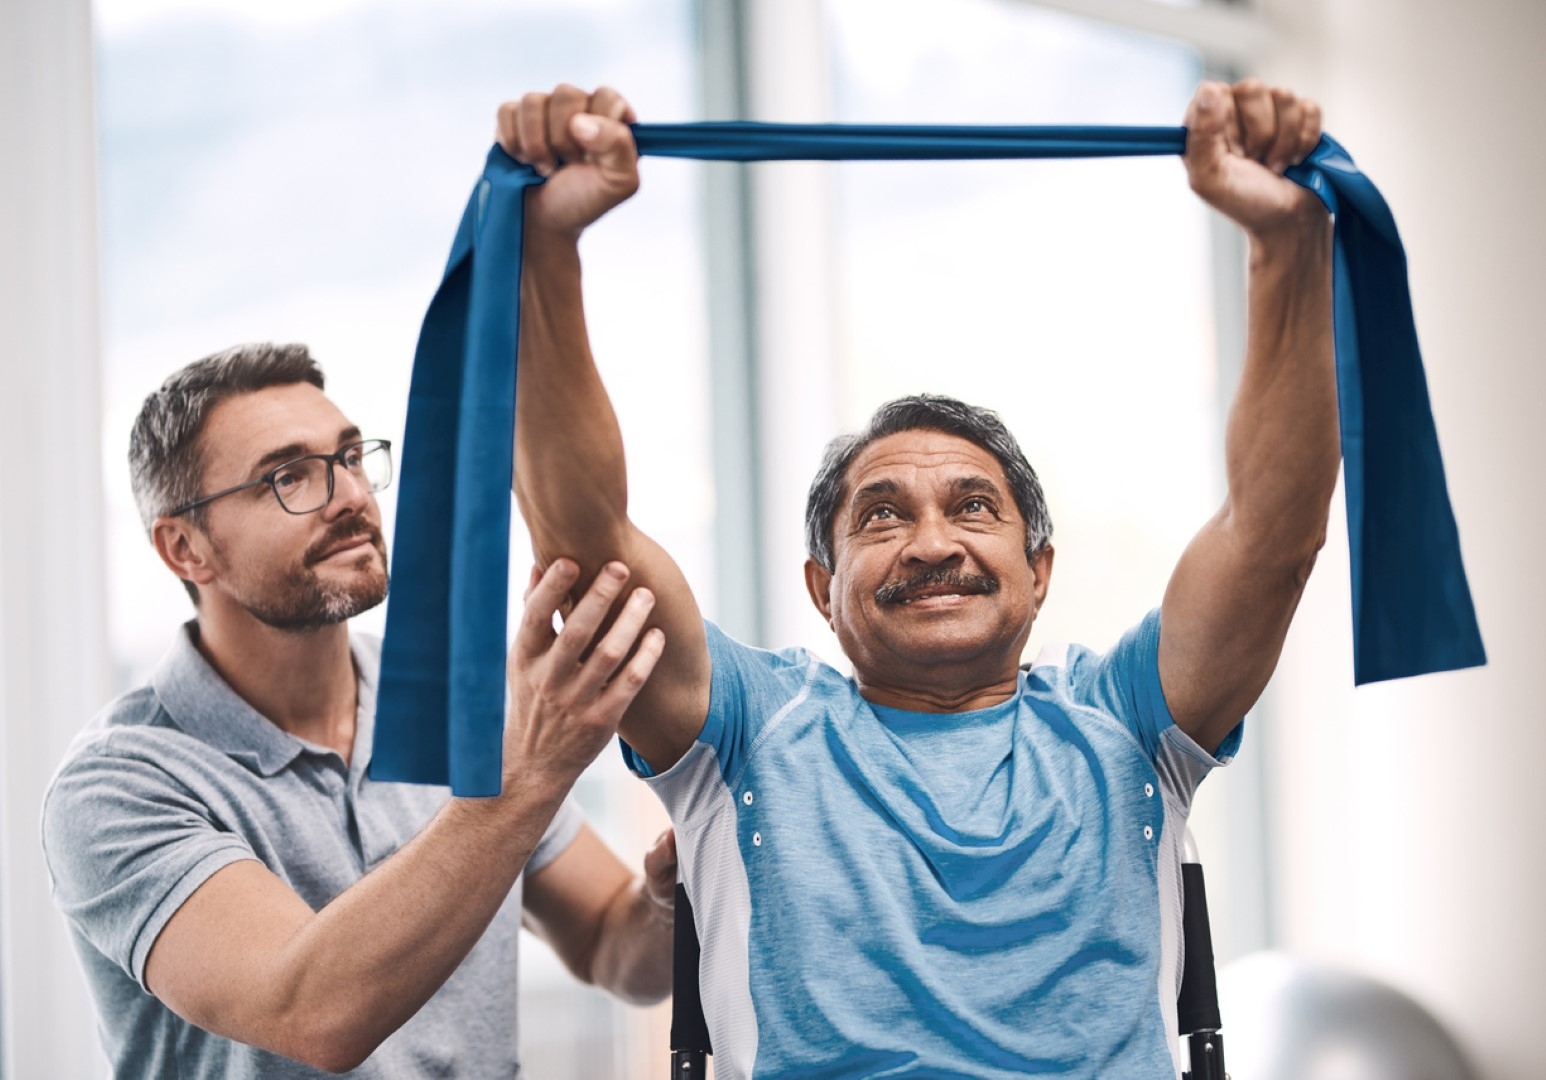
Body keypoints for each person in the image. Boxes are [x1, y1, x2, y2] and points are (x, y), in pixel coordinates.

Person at [498, 77, 1337, 1078]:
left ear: (1038, 574)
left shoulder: (1126, 723)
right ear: (822, 586)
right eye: (881, 516)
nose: (931, 543)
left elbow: (1273, 536)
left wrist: (1284, 250)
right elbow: (587, 541)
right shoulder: (747, 733)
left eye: (973, 508)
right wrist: (545, 252)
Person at [42, 343, 676, 1078]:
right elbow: (314, 1014)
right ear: (186, 549)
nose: (350, 496)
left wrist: (669, 906)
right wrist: (530, 771)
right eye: (289, 477)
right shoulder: (116, 787)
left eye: (350, 457)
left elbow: (607, 942)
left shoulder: (454, 705)